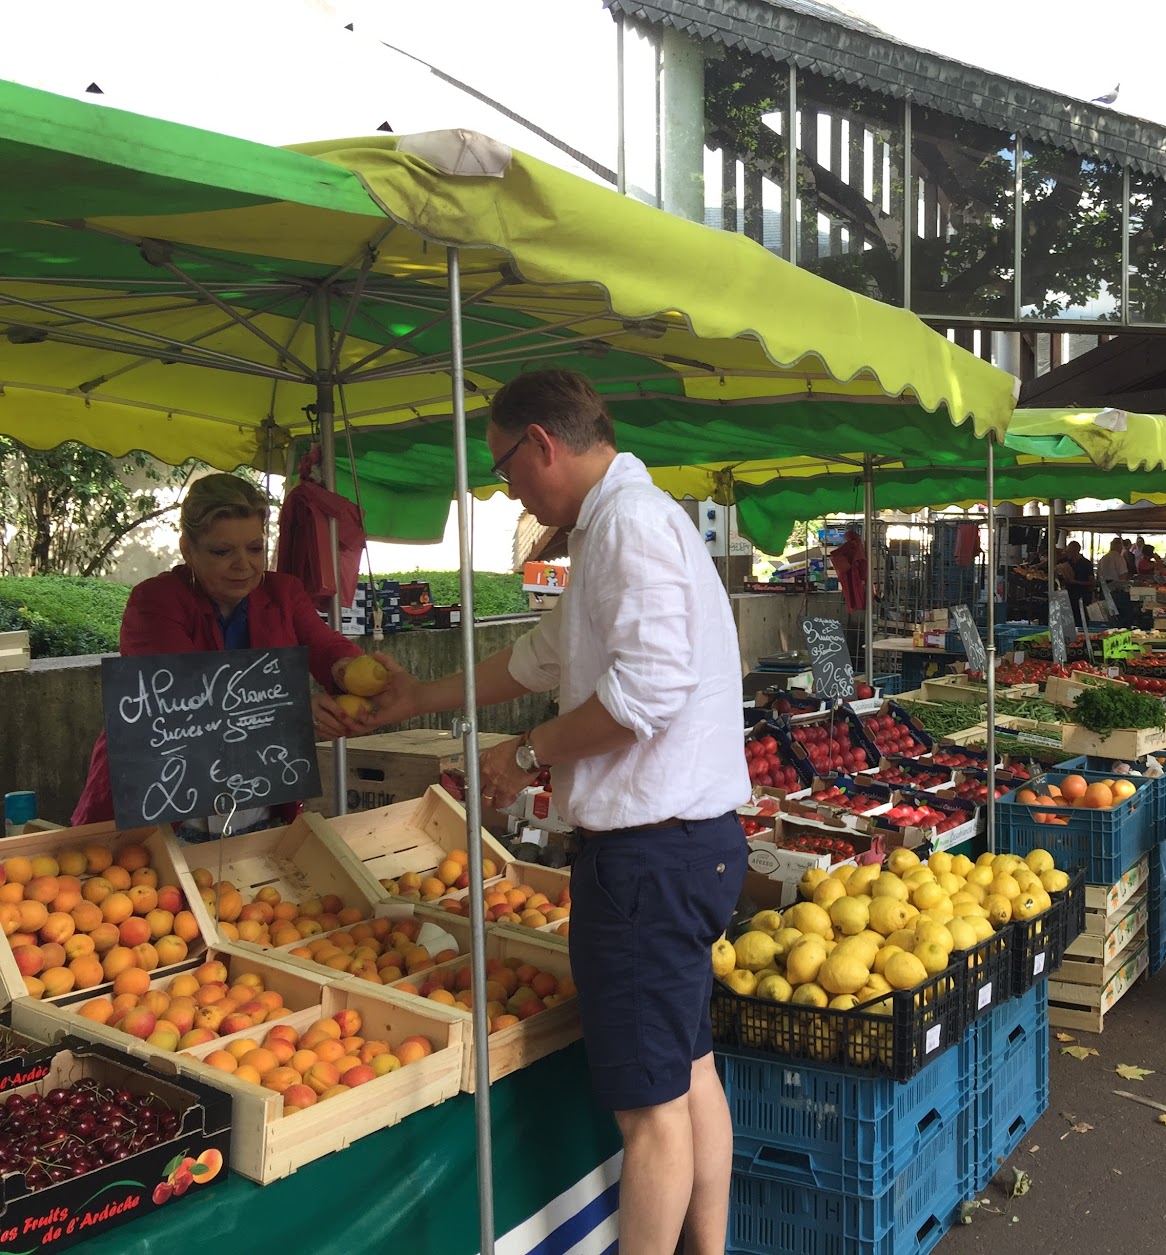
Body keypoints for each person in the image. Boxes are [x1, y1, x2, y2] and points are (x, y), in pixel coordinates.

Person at [366, 370, 748, 1255]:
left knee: (651, 1121)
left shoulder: (627, 525)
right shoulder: (623, 522)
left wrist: (525, 753)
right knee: (690, 1075)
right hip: (685, 852)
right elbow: (541, 656)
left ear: (542, 442)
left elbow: (644, 692)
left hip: (651, 858)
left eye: (505, 467)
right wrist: (418, 695)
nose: (508, 489)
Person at [71, 474, 371, 833]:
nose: (243, 564)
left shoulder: (283, 593)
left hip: (259, 804)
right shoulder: (155, 601)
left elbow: (325, 645)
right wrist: (292, 712)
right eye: (222, 551)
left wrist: (347, 667)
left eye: (255, 548)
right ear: (188, 550)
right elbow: (187, 698)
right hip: (161, 806)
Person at [1056, 540, 1097, 624]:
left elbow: (1092, 582)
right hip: (1068, 596)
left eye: (1069, 551)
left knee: (1081, 619)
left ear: (1076, 551)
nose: (1067, 553)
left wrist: (1076, 582)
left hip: (1082, 596)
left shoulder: (1086, 564)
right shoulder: (1066, 561)